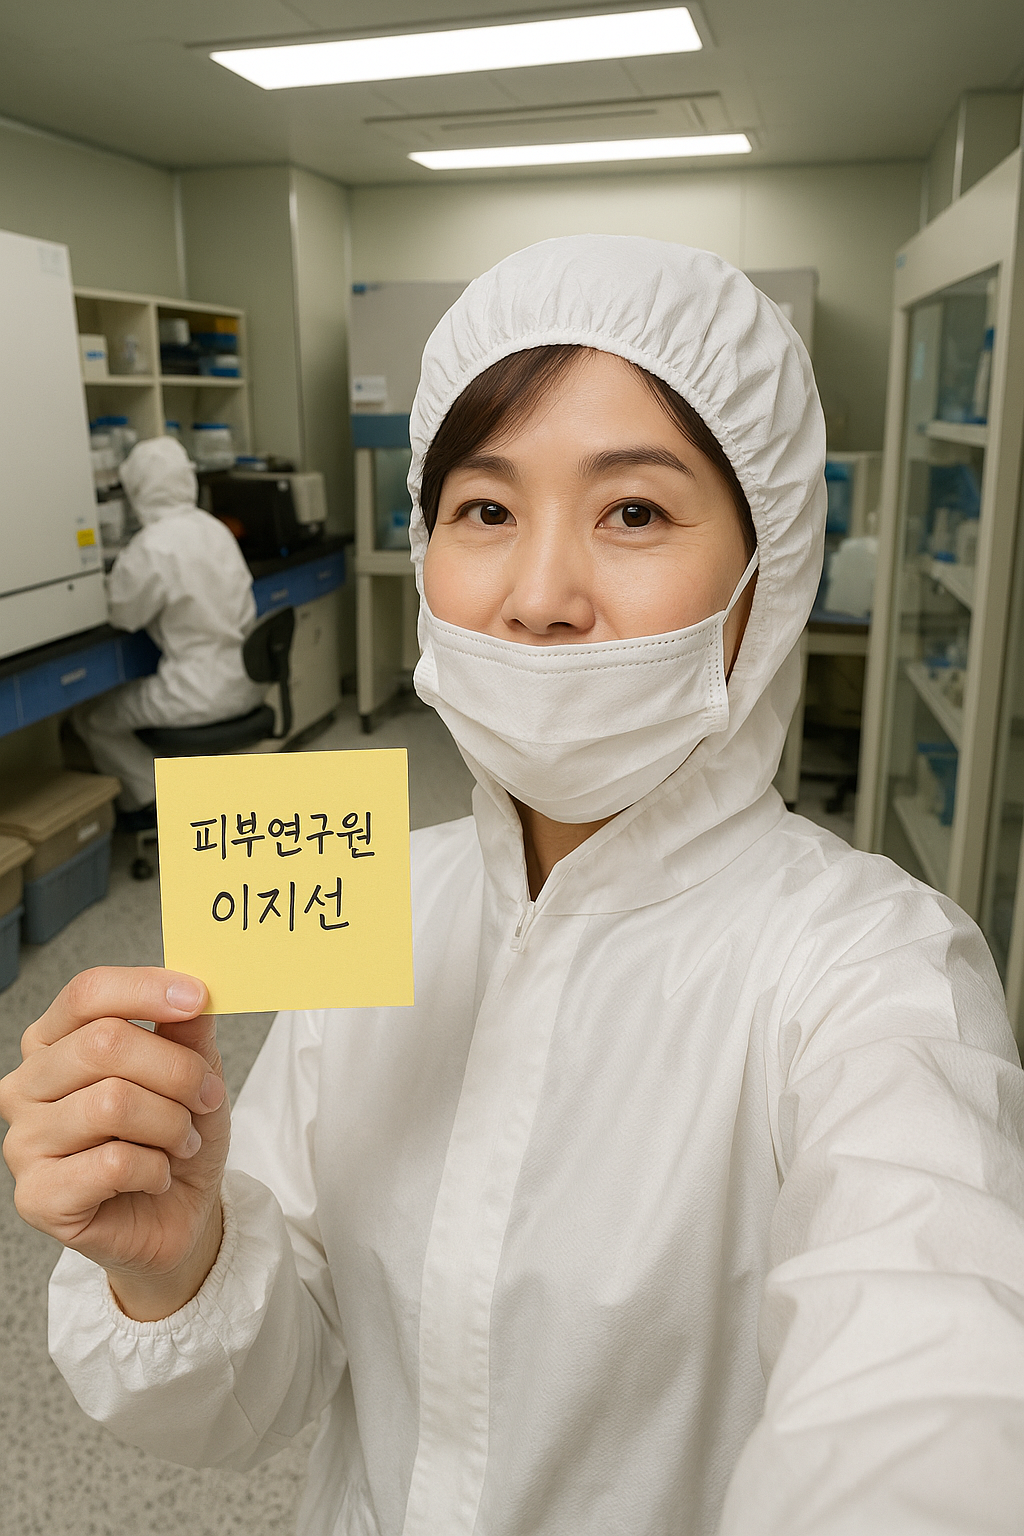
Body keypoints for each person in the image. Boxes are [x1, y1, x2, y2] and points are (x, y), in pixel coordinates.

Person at [4, 236, 1024, 1536]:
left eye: (635, 511)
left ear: (765, 577)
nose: (539, 598)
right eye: (485, 510)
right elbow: (281, 1380)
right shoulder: (378, 898)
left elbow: (931, 1370)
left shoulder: (871, 970)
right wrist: (180, 1259)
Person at [72, 435, 266, 822]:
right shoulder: (215, 529)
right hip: (249, 681)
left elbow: (123, 615)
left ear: (138, 488)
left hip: (197, 692)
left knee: (91, 718)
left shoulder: (152, 546)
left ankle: (157, 804)